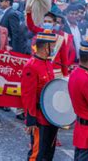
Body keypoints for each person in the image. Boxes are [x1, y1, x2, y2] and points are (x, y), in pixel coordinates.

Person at [21, 29, 59, 161]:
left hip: (51, 115)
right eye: (53, 45)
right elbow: (28, 95)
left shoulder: (48, 63)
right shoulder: (31, 66)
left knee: (49, 152)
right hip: (39, 118)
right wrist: (30, 119)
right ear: (45, 46)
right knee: (37, 153)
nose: (54, 48)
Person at [26, 9, 72, 77]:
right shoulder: (40, 33)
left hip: (56, 73)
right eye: (45, 21)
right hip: (41, 71)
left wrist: (65, 75)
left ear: (54, 23)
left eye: (49, 22)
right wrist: (29, 14)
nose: (47, 23)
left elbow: (64, 59)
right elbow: (31, 26)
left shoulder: (60, 38)